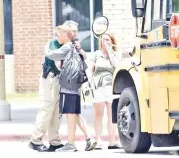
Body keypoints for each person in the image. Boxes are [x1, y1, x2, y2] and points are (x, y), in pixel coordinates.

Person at [45, 23, 94, 152]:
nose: (57, 37)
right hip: (76, 85)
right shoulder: (75, 47)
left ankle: (71, 144)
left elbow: (51, 55)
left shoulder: (67, 47)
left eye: (58, 34)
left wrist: (47, 48)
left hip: (68, 86)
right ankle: (87, 139)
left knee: (70, 115)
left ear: (64, 35)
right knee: (74, 114)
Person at [28, 25, 69, 152]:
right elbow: (53, 58)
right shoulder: (53, 44)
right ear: (61, 33)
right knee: (47, 109)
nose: (69, 36)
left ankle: (54, 141)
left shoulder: (65, 45)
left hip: (58, 80)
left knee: (57, 112)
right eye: (67, 34)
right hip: (50, 79)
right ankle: (35, 140)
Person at [90, 32, 121, 150]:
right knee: (98, 114)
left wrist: (111, 52)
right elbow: (91, 69)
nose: (105, 42)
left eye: (107, 40)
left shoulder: (115, 55)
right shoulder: (96, 54)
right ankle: (97, 141)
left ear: (112, 42)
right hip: (98, 86)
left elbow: (117, 66)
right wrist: (89, 82)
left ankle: (112, 142)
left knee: (111, 115)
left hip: (112, 87)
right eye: (103, 40)